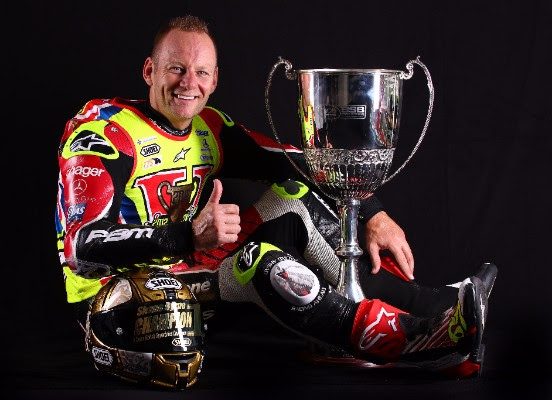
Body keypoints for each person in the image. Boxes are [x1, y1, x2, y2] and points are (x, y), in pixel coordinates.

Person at [55, 15, 497, 390]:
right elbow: (81, 247)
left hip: (188, 273)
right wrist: (187, 235)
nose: (189, 83)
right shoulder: (103, 133)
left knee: (293, 197)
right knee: (258, 262)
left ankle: (440, 309)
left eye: (201, 72)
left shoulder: (209, 125)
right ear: (150, 71)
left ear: (214, 79)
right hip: (119, 303)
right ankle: (410, 340)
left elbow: (292, 162)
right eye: (176, 69)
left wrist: (372, 210)